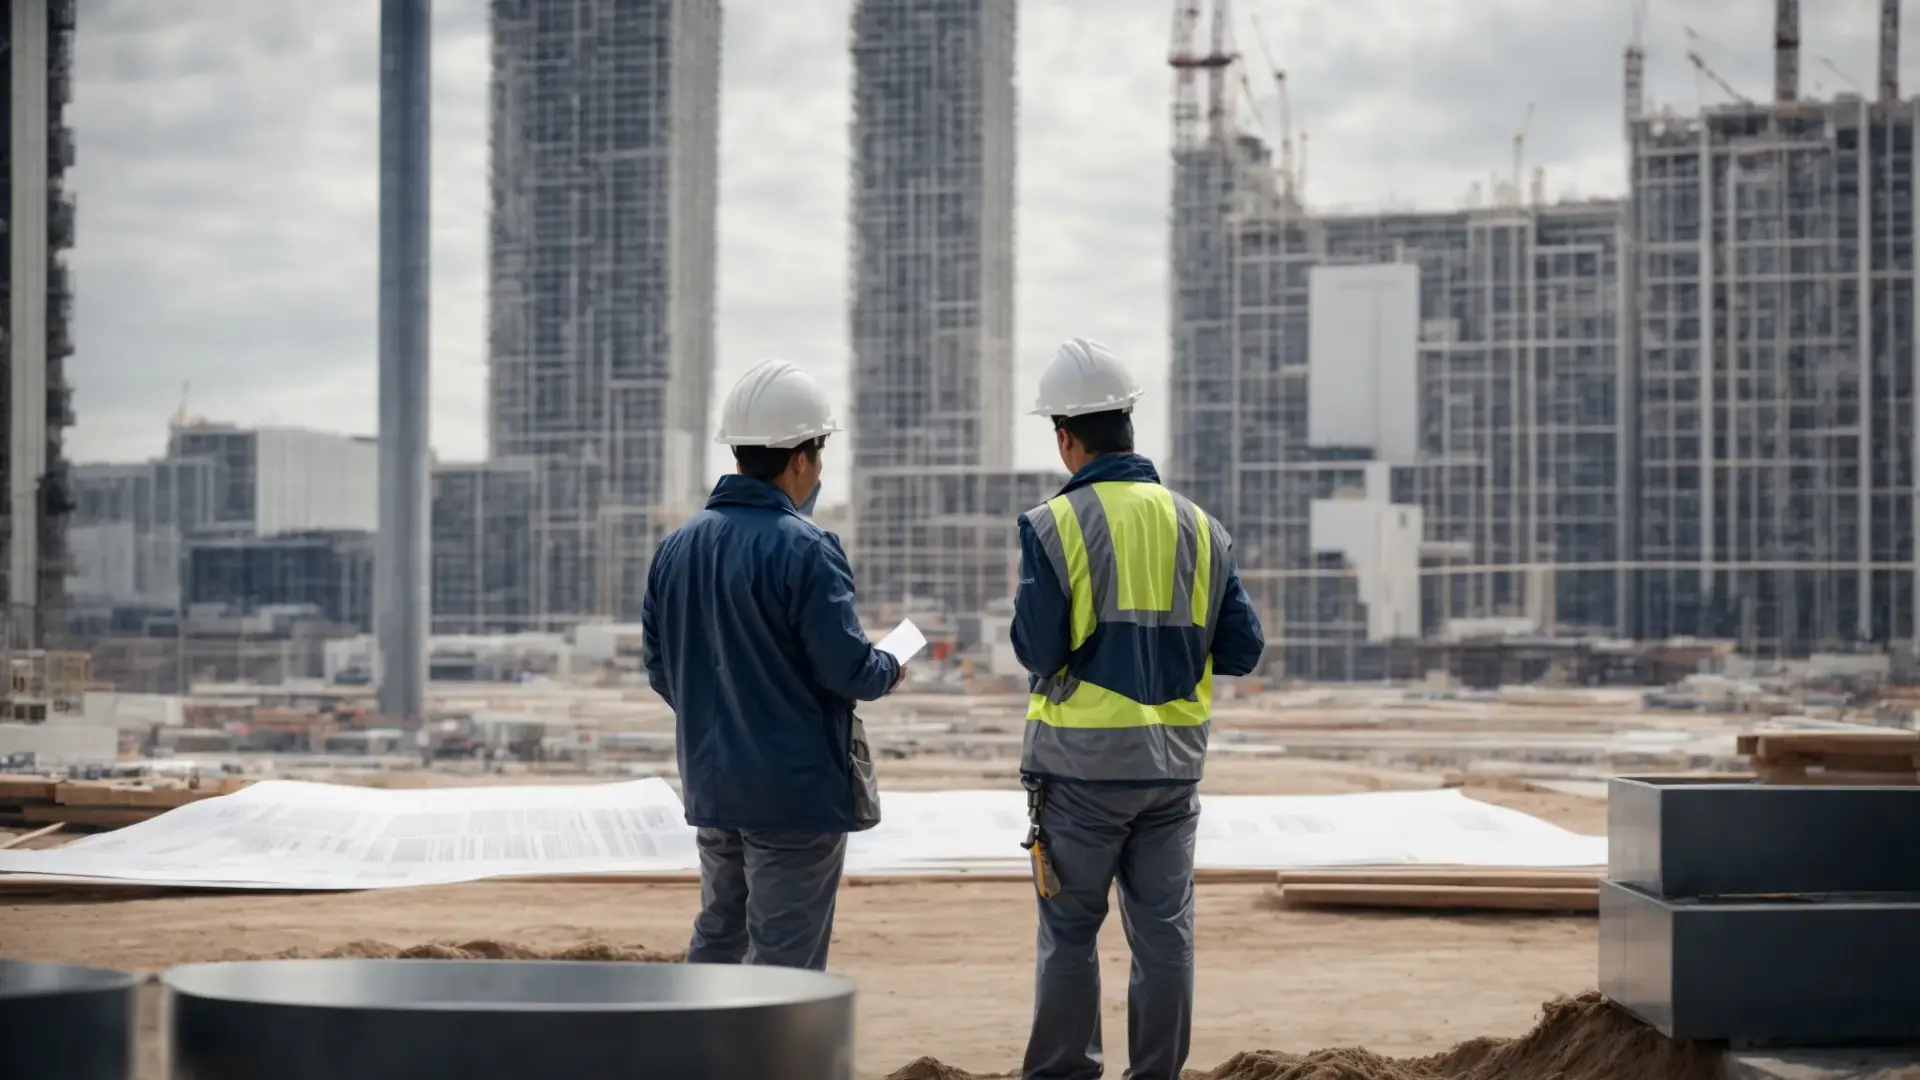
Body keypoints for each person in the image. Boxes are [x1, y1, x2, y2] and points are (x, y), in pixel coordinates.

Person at [1011, 338, 1266, 1080]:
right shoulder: (1200, 527)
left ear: (1066, 437)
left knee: (1068, 934)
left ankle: (1064, 1073)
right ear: (1128, 422)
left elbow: (1039, 651)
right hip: (1174, 774)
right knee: (1165, 937)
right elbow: (1244, 648)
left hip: (1081, 772)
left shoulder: (1054, 526)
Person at [641, 358, 904, 972]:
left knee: (719, 933)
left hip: (714, 785)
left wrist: (723, 715)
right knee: (784, 961)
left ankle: (700, 1058)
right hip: (793, 795)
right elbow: (847, 670)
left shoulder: (676, 547)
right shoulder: (807, 548)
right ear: (802, 458)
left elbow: (662, 669)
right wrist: (889, 665)